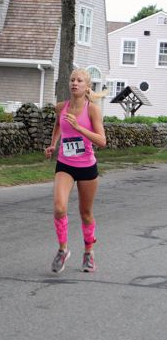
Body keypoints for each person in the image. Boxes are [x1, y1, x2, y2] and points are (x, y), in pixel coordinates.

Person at [45, 68, 107, 273]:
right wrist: (53, 144)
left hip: (87, 167)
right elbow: (58, 125)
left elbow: (102, 141)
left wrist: (80, 128)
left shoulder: (92, 110)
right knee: (59, 207)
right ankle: (63, 249)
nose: (74, 83)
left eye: (80, 80)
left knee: (86, 213)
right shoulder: (61, 107)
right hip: (65, 164)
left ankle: (89, 253)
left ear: (87, 86)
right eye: (72, 79)